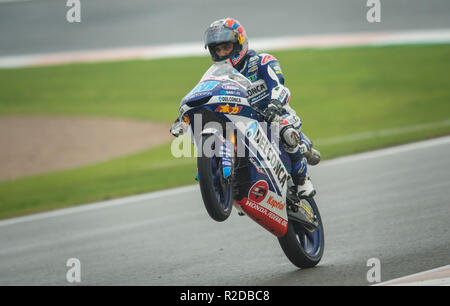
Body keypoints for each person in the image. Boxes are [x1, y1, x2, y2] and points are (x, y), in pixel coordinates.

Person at [173, 18, 320, 199]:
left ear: (239, 43)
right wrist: (182, 117)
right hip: (243, 120)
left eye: (226, 47)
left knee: (286, 130)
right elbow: (201, 93)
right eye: (217, 50)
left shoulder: (262, 61)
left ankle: (302, 179)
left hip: (273, 116)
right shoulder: (214, 72)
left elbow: (280, 87)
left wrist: (275, 104)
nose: (222, 53)